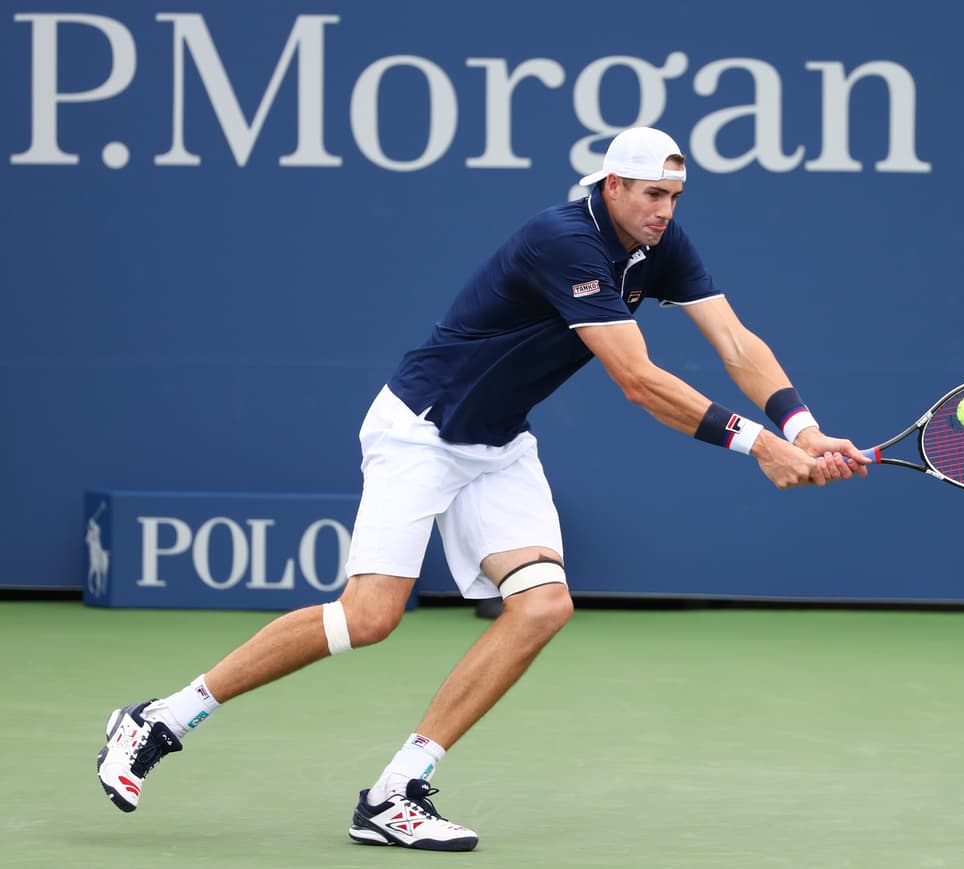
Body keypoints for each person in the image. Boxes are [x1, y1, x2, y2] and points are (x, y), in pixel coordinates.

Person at [95, 127, 870, 852]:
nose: (664, 212)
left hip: (496, 444)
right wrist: (757, 444)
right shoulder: (562, 239)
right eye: (650, 195)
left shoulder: (659, 246)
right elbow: (636, 380)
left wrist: (801, 429)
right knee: (369, 617)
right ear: (611, 186)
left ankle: (398, 790)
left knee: (542, 605)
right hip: (421, 430)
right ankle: (159, 719)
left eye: (675, 198)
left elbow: (734, 340)